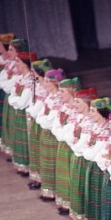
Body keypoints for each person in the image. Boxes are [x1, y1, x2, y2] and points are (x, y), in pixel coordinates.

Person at [83, 97, 111, 220]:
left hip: (100, 168)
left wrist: (87, 150)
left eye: (93, 111)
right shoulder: (96, 126)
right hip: (95, 165)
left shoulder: (106, 131)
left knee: (99, 199)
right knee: (93, 196)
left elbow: (96, 153)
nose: (90, 114)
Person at [67, 87, 98, 220]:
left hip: (84, 158)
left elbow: (84, 143)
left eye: (78, 102)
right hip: (78, 155)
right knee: (76, 186)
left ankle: (84, 218)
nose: (75, 105)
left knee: (83, 189)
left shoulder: (91, 123)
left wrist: (76, 145)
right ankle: (78, 215)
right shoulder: (80, 118)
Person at [0, 38, 29, 159]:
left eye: (11, 50)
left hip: (22, 106)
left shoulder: (30, 76)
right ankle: (14, 153)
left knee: (22, 132)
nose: (8, 52)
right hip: (14, 100)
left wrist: (13, 96)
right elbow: (0, 80)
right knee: (11, 126)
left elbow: (33, 85)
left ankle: (23, 158)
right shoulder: (12, 64)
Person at [52, 77, 82, 214]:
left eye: (63, 92)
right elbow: (57, 126)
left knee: (71, 177)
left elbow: (70, 132)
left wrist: (63, 134)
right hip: (65, 144)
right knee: (63, 174)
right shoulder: (65, 107)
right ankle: (65, 203)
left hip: (72, 147)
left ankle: (72, 206)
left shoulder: (77, 112)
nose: (60, 94)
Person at [36, 68, 66, 201]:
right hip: (48, 132)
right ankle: (48, 190)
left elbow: (50, 119)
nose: (45, 83)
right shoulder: (50, 96)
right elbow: (43, 114)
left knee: (53, 163)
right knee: (46, 160)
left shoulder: (59, 99)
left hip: (53, 133)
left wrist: (42, 119)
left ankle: (54, 192)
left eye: (48, 81)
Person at [8, 49, 38, 175]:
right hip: (21, 114)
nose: (16, 64)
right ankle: (23, 166)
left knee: (28, 142)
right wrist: (13, 98)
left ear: (25, 64)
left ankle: (30, 168)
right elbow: (13, 96)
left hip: (28, 116)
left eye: (18, 62)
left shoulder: (30, 81)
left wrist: (13, 98)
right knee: (21, 139)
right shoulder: (22, 78)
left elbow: (21, 103)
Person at [26, 59, 53, 190]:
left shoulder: (46, 90)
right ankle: (37, 178)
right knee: (36, 150)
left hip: (43, 122)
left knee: (44, 154)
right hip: (38, 121)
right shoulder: (37, 85)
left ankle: (45, 182)